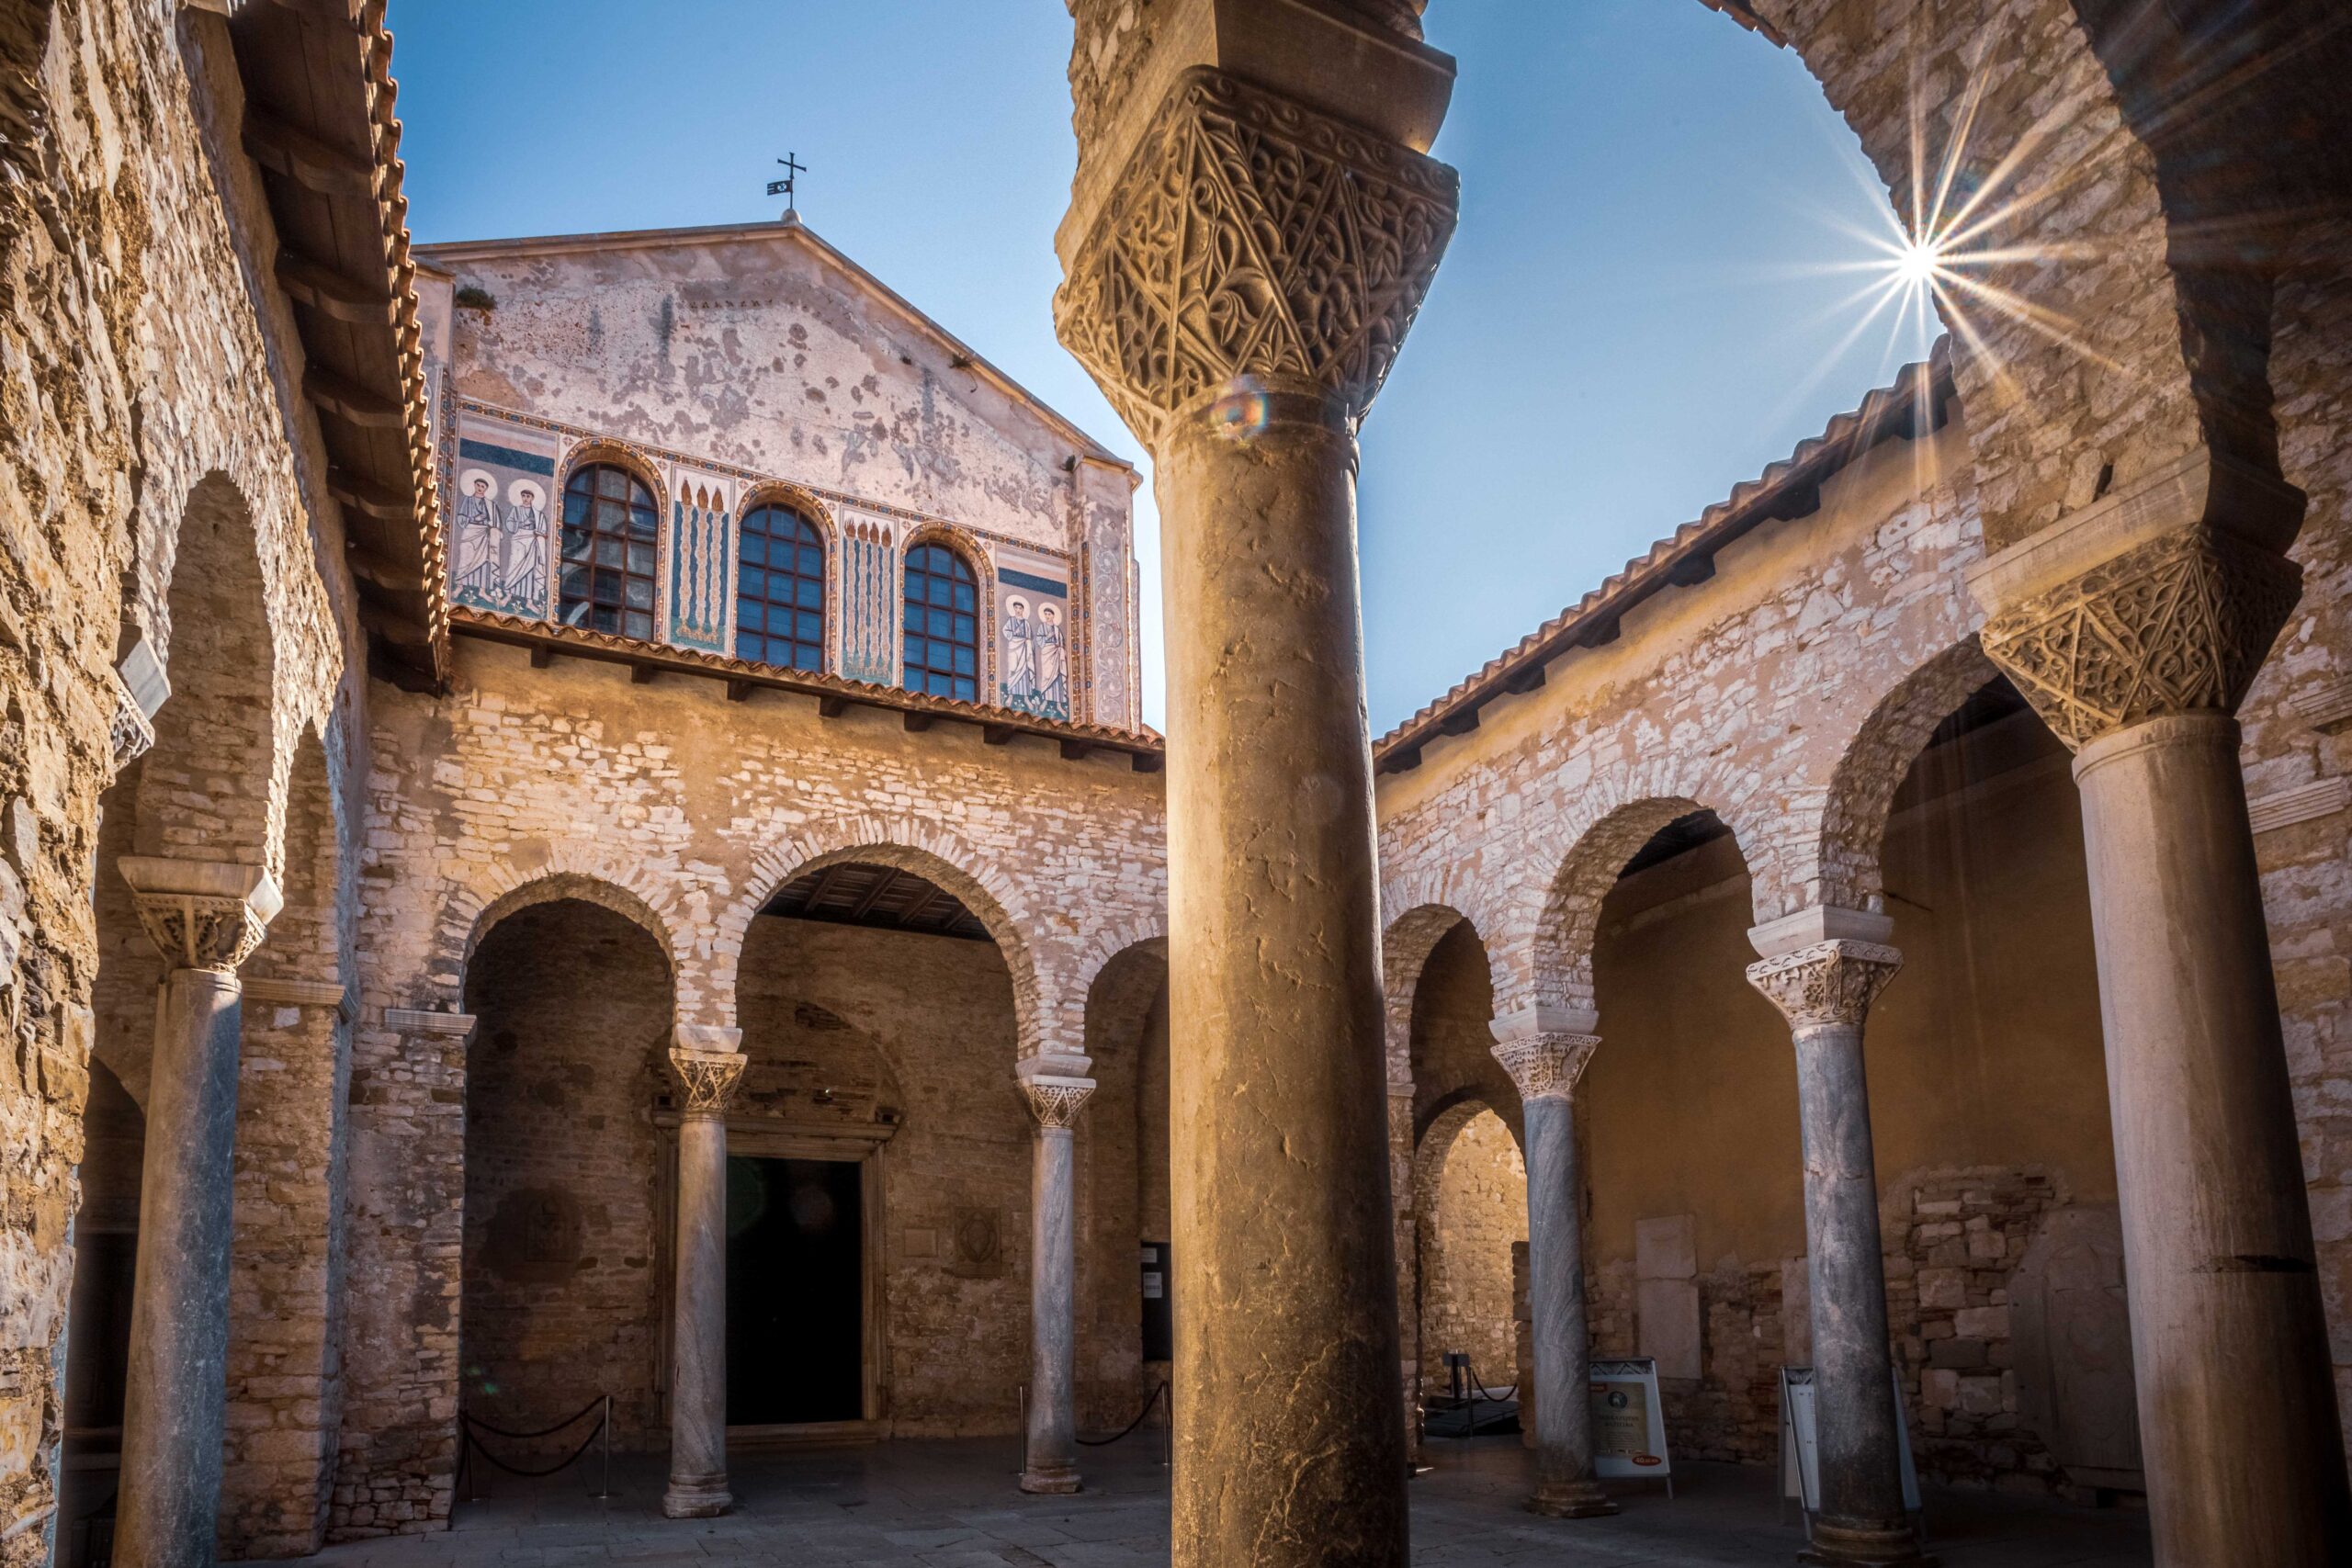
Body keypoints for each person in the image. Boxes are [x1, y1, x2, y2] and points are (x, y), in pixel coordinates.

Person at [452, 475, 501, 601]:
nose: (480, 488)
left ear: (486, 489)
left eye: (483, 486)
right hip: (470, 531)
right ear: (474, 485)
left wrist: (492, 528)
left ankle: (482, 591)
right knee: (465, 558)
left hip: (484, 534)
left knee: (484, 561)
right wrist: (474, 518)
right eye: (478, 485)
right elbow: (461, 517)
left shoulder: (490, 505)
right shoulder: (467, 500)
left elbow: (496, 522)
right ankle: (459, 586)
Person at [502, 480, 548, 609]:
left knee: (530, 571)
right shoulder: (516, 510)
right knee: (514, 567)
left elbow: (543, 531)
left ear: (532, 498)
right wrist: (521, 524)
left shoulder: (538, 514)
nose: (526, 498)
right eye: (524, 496)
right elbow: (510, 523)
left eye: (528, 496)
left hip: (532, 542)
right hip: (518, 540)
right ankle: (508, 595)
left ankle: (529, 602)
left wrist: (538, 533)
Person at [1001, 592, 1035, 709]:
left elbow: (1030, 637)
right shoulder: (1010, 620)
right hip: (1014, 648)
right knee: (1013, 670)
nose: (1018, 610)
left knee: (1024, 671)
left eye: (1020, 608)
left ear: (1023, 610)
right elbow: (1005, 631)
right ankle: (1010, 695)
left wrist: (1027, 642)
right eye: (1016, 608)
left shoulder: (1026, 623)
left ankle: (1026, 697)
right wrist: (1013, 635)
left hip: (1024, 648)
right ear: (1013, 608)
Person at [1035, 600, 1068, 717]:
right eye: (1046, 614)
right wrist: (1047, 637)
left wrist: (1061, 649)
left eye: (1049, 614)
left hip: (1057, 653)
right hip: (1047, 653)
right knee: (1047, 676)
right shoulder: (1042, 627)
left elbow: (1062, 642)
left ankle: (1059, 705)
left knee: (1058, 677)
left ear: (1053, 616)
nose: (1047, 616)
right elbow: (1039, 640)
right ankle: (1045, 701)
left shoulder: (1057, 629)